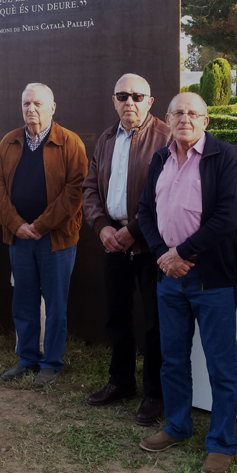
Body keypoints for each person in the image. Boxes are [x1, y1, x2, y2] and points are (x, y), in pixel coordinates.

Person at [137, 92, 237, 473]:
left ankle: (221, 442)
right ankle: (178, 425)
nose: (185, 118)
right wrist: (163, 255)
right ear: (167, 119)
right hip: (169, 278)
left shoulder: (224, 156)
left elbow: (226, 217)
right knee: (172, 359)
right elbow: (145, 212)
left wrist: (182, 252)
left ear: (206, 120)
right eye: (178, 112)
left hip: (210, 278)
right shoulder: (160, 158)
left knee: (221, 365)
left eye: (193, 113)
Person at [82, 73, 170, 425]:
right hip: (112, 243)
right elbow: (90, 188)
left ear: (150, 101)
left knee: (154, 323)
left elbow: (166, 195)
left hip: (150, 245)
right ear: (113, 100)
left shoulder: (166, 137)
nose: (129, 102)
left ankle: (154, 393)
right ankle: (120, 382)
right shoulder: (105, 139)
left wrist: (133, 231)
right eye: (122, 95)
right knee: (117, 318)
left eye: (137, 96)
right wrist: (102, 226)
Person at [0, 83, 87, 387]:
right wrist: (16, 224)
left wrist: (41, 225)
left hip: (55, 238)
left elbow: (75, 192)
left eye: (38, 104)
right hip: (19, 238)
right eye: (26, 104)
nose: (31, 109)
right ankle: (27, 359)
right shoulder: (9, 141)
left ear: (52, 108)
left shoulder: (70, 142)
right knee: (24, 300)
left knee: (55, 304)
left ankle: (52, 363)